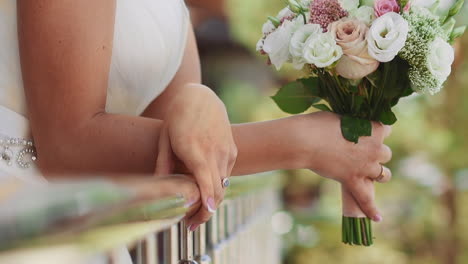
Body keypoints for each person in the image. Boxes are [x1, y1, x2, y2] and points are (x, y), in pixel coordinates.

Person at [0, 0, 392, 231]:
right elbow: (67, 145)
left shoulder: (173, 10)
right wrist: (305, 144)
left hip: (87, 226)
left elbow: (169, 161)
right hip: (22, 219)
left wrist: (200, 99)